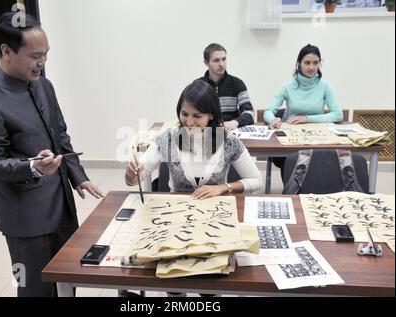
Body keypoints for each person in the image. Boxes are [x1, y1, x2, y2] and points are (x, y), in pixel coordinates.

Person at [0, 12, 103, 297]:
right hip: (24, 222)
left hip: (62, 208)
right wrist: (34, 167)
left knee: (66, 284)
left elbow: (60, 136)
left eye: (46, 55)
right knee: (32, 289)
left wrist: (78, 177)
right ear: (6, 51)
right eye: (35, 56)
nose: (42, 63)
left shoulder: (44, 85)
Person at [125, 79, 262, 297]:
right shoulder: (168, 138)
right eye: (184, 114)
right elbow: (137, 175)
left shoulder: (227, 141)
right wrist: (131, 174)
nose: (189, 122)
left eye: (197, 116)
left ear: (211, 116)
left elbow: (256, 180)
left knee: (211, 283)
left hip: (214, 221)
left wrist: (224, 188)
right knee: (175, 280)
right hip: (175, 219)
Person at [263, 44, 343, 179]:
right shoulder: (288, 86)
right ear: (299, 64)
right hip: (291, 138)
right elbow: (268, 112)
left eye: (315, 63)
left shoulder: (325, 85)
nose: (311, 67)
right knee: (290, 160)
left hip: (317, 137)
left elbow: (338, 114)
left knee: (324, 160)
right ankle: (292, 192)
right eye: (307, 62)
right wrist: (273, 119)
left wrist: (308, 119)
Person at [199, 43, 255, 131]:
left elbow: (250, 113)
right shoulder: (198, 85)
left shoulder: (237, 83)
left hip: (232, 132)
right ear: (206, 63)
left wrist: (235, 122)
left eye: (224, 59)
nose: (221, 64)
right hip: (206, 134)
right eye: (216, 60)